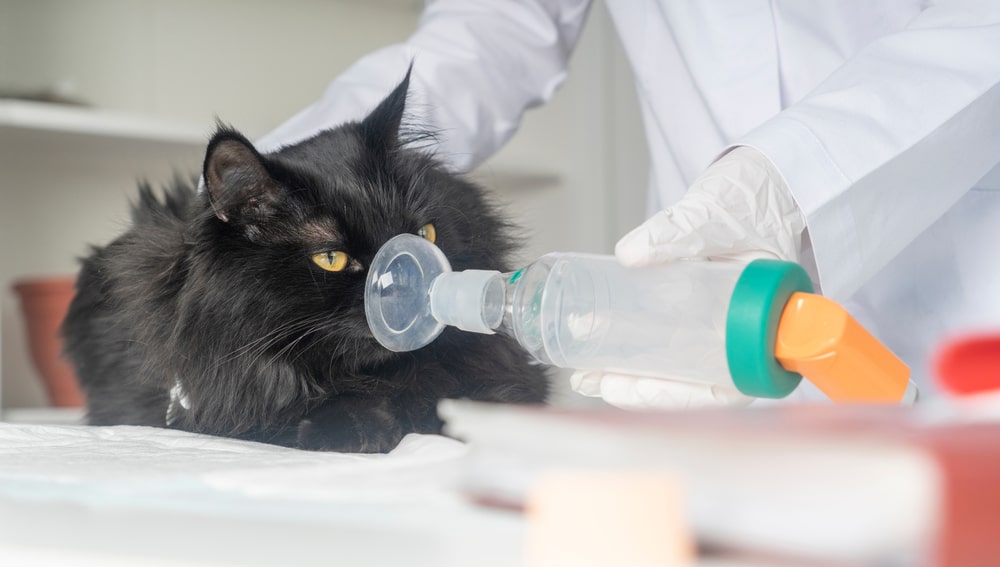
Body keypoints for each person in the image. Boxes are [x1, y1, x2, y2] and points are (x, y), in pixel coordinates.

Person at [257, 0, 1000, 409]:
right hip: (707, 325)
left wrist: (787, 182)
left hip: (963, 310)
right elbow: (492, 27)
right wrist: (269, 190)